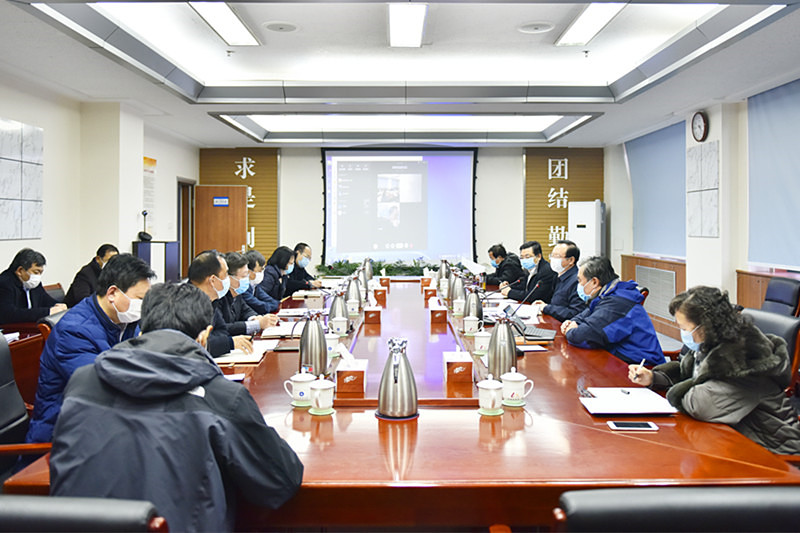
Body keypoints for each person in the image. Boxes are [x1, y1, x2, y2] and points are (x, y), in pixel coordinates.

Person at [49, 282, 304, 532]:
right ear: (204, 336)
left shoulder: (83, 381)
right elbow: (280, 481)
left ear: (142, 327)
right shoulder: (222, 398)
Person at [628, 286, 800, 454]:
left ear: (705, 327)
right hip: (732, 437)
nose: (683, 334)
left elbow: (700, 405)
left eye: (684, 329)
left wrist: (675, 392)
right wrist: (654, 377)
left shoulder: (745, 360)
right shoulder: (711, 343)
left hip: (771, 451)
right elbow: (688, 373)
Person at [25, 253, 154, 443]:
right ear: (112, 293)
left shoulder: (126, 319)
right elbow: (104, 386)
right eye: (140, 299)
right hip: (64, 433)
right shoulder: (73, 331)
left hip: (103, 420)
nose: (143, 307)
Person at [561, 255, 665, 366]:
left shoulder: (618, 302)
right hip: (618, 357)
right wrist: (572, 322)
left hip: (639, 366)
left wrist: (570, 331)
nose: (579, 285)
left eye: (580, 280)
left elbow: (584, 336)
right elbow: (584, 315)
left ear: (594, 282)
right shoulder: (606, 295)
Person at [188, 250, 252, 357]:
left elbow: (222, 331)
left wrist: (218, 342)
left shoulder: (213, 300)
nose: (228, 279)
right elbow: (194, 344)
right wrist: (229, 343)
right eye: (226, 274)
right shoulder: (185, 303)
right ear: (213, 280)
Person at [0, 248, 66, 325]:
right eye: (36, 272)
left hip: (30, 326)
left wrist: (60, 306)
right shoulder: (4, 283)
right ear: (20, 271)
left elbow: (46, 300)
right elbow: (8, 314)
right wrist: (48, 311)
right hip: (11, 329)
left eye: (40, 273)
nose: (38, 276)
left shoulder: (33, 283)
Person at [220, 252, 279, 334]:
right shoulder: (219, 297)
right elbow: (222, 327)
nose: (247, 279)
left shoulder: (237, 293)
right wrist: (257, 324)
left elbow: (245, 310)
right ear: (229, 278)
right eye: (244, 276)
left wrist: (256, 318)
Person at [533, 240, 585, 321]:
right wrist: (545, 306)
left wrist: (547, 308)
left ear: (571, 260)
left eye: (557, 256)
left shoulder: (577, 281)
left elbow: (575, 313)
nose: (552, 259)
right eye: (552, 255)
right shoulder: (558, 276)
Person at [242, 249, 280, 314]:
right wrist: (273, 306)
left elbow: (270, 300)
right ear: (249, 272)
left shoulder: (255, 285)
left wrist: (276, 304)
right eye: (260, 270)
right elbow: (261, 307)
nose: (262, 273)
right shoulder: (243, 287)